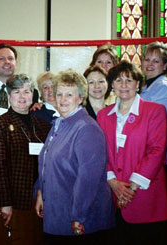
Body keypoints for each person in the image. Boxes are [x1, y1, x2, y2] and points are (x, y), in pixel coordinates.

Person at [36, 69, 115, 244]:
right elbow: (46, 163)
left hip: (80, 219)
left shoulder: (86, 128)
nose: (62, 99)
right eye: (59, 94)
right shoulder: (59, 123)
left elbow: (88, 178)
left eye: (69, 95)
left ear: (80, 98)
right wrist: (40, 193)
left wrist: (78, 215)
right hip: (58, 210)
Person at [97, 61, 167, 245]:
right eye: (118, 80)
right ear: (112, 85)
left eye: (129, 80)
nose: (123, 85)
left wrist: (130, 188)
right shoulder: (103, 115)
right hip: (113, 198)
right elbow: (99, 152)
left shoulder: (154, 111)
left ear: (138, 84)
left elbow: (157, 151)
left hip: (145, 196)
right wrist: (113, 182)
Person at [0, 74, 50, 245]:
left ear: (33, 94)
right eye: (17, 92)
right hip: (11, 201)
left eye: (27, 91)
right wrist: (5, 203)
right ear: (8, 95)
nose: (22, 97)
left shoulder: (42, 126)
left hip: (37, 199)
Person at [141, 41, 167, 165]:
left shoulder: (165, 89)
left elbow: (163, 127)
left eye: (156, 61)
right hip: (143, 151)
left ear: (165, 65)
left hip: (156, 156)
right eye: (147, 59)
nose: (149, 64)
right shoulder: (145, 86)